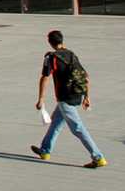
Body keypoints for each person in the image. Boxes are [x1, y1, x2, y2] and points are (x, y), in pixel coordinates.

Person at [31, 30, 106, 168]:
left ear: (50, 42)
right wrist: (86, 96)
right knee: (56, 122)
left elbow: (45, 78)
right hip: (77, 94)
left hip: (65, 98)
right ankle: (45, 150)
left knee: (78, 128)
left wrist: (41, 99)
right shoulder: (71, 54)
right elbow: (85, 76)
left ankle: (98, 157)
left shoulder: (51, 58)